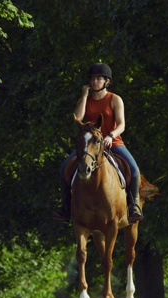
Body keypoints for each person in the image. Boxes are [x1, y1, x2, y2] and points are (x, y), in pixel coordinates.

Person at [53, 63, 144, 223]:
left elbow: (122, 124)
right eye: (93, 79)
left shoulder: (115, 99)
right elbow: (78, 118)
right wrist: (84, 96)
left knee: (134, 170)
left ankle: (134, 205)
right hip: (90, 146)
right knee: (64, 169)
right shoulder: (85, 99)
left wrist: (110, 135)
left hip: (112, 143)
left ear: (106, 81)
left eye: (98, 79)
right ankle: (65, 208)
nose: (95, 82)